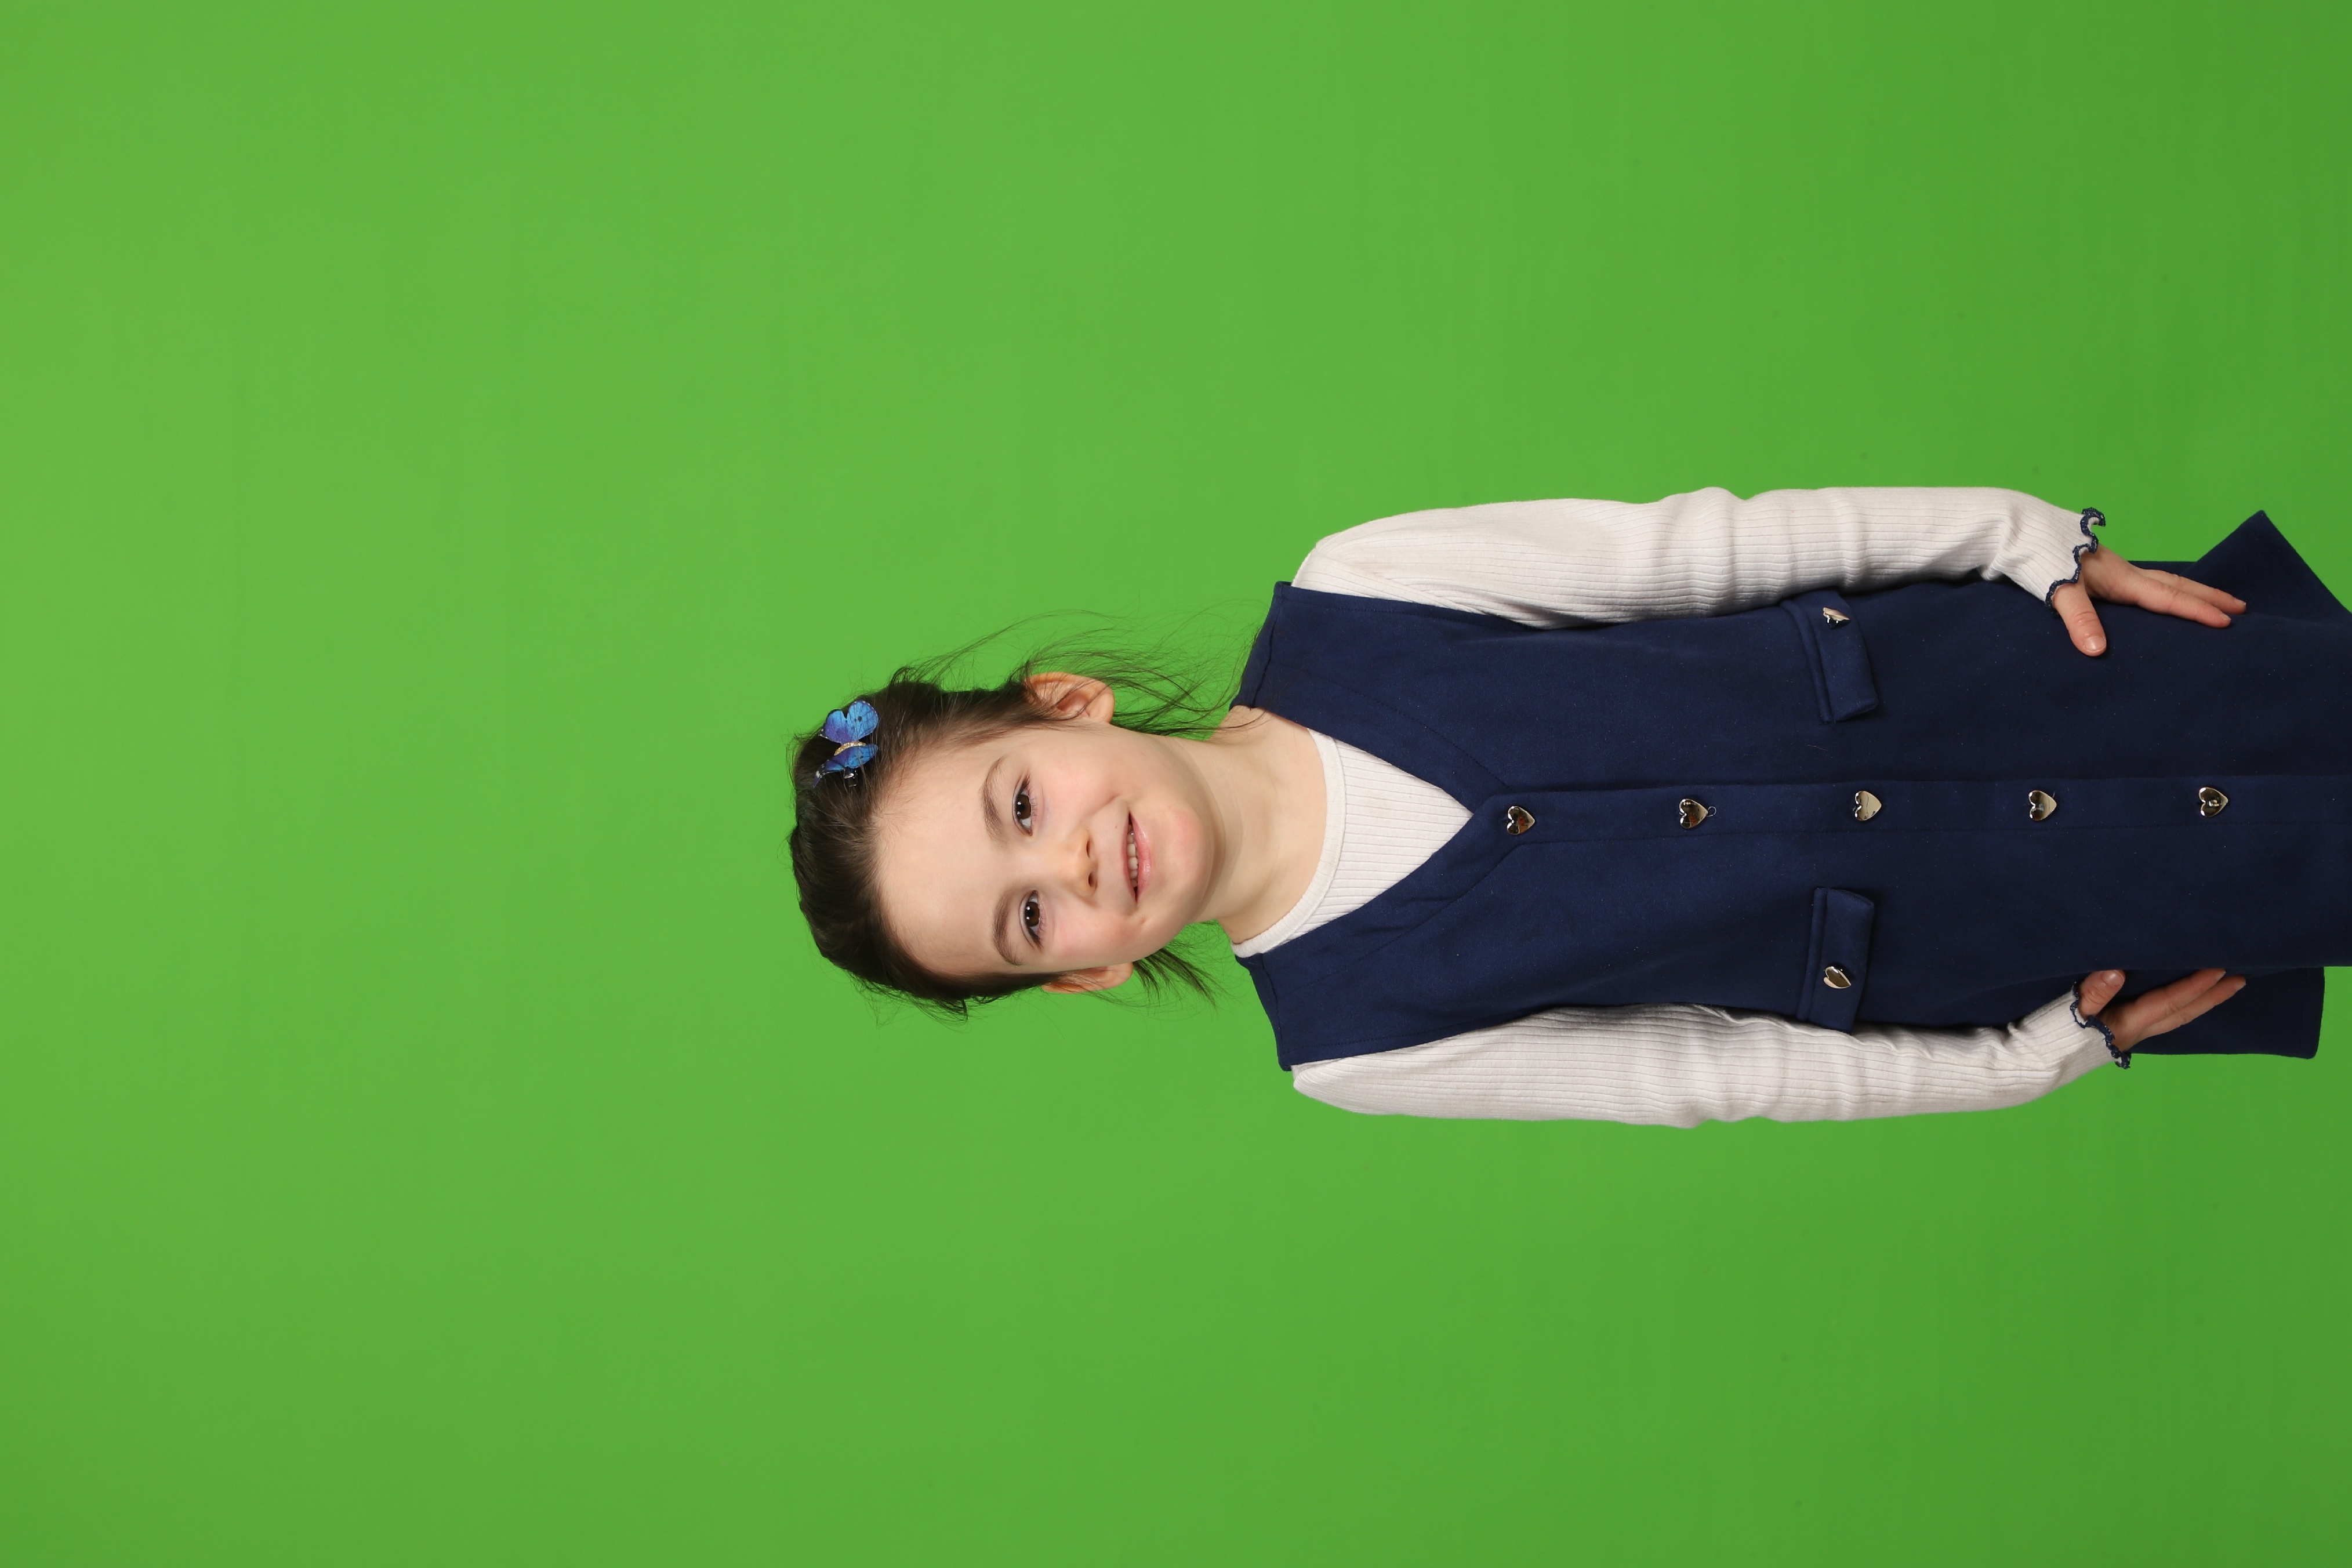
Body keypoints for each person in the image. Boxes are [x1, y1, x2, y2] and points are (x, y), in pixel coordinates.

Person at [789, 488, 2352, 1124]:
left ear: (1067, 704)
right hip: (1998, 929)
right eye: (1028, 917)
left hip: (2010, 678)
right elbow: (1709, 1076)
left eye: (1020, 804)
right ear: (1082, 972)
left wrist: (2012, 534)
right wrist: (2022, 1062)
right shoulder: (1355, 1047)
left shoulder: (1361, 589)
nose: (1071, 861)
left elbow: (1710, 548)